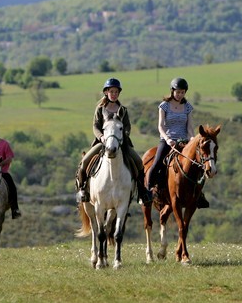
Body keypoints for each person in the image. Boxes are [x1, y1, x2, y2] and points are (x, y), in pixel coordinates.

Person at [75, 77, 152, 205]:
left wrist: (124, 135)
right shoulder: (100, 109)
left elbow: (127, 126)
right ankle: (83, 189)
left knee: (138, 163)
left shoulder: (123, 110)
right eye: (112, 92)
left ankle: (142, 191)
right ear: (106, 92)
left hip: (121, 143)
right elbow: (95, 126)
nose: (114, 94)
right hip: (103, 143)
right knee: (84, 162)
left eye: (116, 92)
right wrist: (101, 137)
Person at [146, 77, 210, 208]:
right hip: (167, 140)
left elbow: (190, 127)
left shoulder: (187, 107)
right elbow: (160, 126)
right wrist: (167, 139)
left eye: (182, 92)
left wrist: (192, 139)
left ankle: (199, 195)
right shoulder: (164, 106)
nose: (180, 95)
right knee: (157, 163)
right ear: (172, 91)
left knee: (198, 165)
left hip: (184, 141)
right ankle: (146, 192)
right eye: (177, 92)